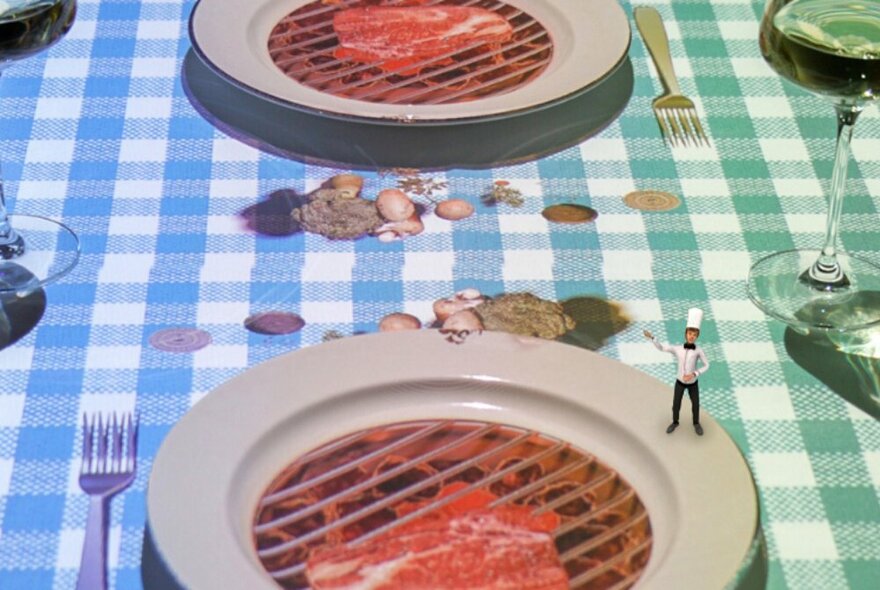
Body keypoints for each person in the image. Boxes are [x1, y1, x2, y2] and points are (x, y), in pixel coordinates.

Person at [643, 308, 710, 436]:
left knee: (695, 404)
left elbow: (707, 365)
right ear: (686, 334)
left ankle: (696, 423)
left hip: (692, 382)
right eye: (690, 333)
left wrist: (695, 373)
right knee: (676, 404)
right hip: (679, 381)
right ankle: (675, 422)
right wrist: (653, 338)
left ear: (697, 336)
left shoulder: (698, 350)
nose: (692, 336)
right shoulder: (677, 349)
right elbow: (662, 348)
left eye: (694, 335)